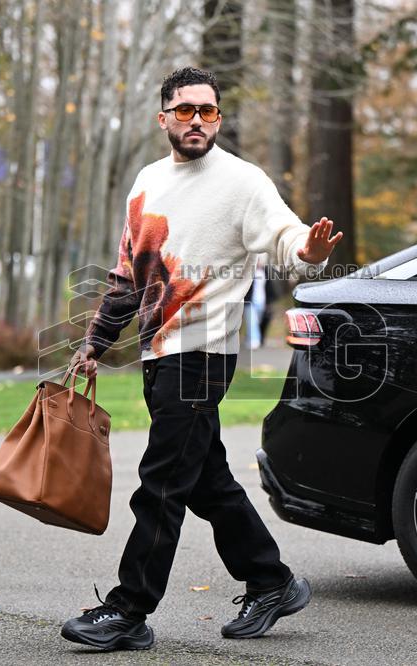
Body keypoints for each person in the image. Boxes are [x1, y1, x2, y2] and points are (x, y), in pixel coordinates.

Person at [62, 66, 342, 652]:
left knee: (162, 482)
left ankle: (129, 609)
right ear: (164, 116)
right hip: (158, 354)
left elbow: (287, 236)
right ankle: (272, 580)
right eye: (185, 110)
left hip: (202, 354)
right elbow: (126, 277)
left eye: (208, 111)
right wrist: (93, 342)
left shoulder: (243, 182)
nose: (197, 120)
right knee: (205, 480)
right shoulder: (147, 182)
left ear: (218, 117)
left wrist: (309, 251)